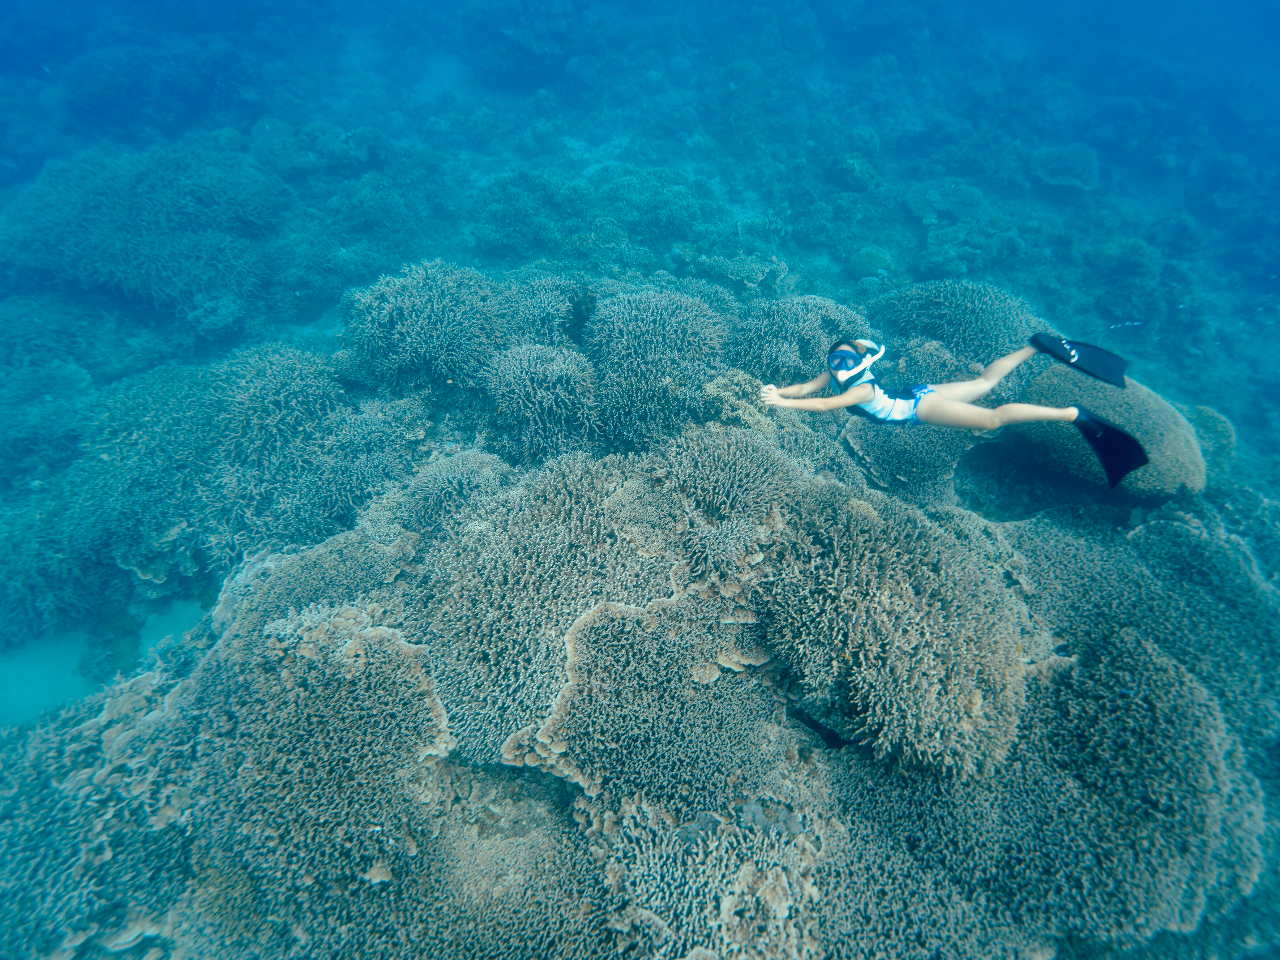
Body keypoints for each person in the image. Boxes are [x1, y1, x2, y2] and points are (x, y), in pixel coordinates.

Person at [759, 336, 1148, 487]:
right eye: (834, 360)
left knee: (993, 418)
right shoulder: (836, 373)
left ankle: (1070, 414)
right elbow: (810, 388)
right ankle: (1038, 346)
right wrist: (781, 391)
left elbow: (824, 404)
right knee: (982, 385)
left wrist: (781, 405)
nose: (838, 366)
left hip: (919, 407)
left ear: (860, 363)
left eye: (845, 359)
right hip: (915, 393)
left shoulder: (860, 388)